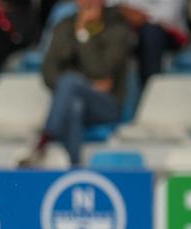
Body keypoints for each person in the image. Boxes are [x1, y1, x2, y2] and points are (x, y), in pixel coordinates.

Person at [20, 0, 131, 166]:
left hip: (107, 103)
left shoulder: (117, 26)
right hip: (72, 99)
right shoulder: (65, 26)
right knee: (74, 104)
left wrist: (83, 35)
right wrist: (79, 85)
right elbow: (48, 72)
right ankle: (74, 165)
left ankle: (45, 138)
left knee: (70, 82)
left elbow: (101, 71)